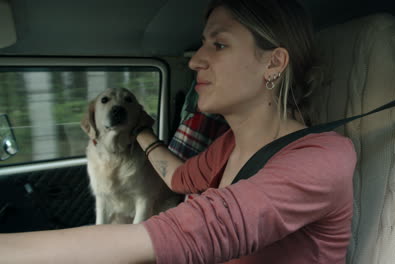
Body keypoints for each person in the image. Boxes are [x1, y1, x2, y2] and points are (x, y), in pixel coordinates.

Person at [0, 0, 356, 263]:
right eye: (203, 43)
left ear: (273, 63)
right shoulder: (229, 145)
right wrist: (140, 129)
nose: (194, 60)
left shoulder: (324, 159)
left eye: (218, 44)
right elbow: (179, 178)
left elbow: (198, 231)